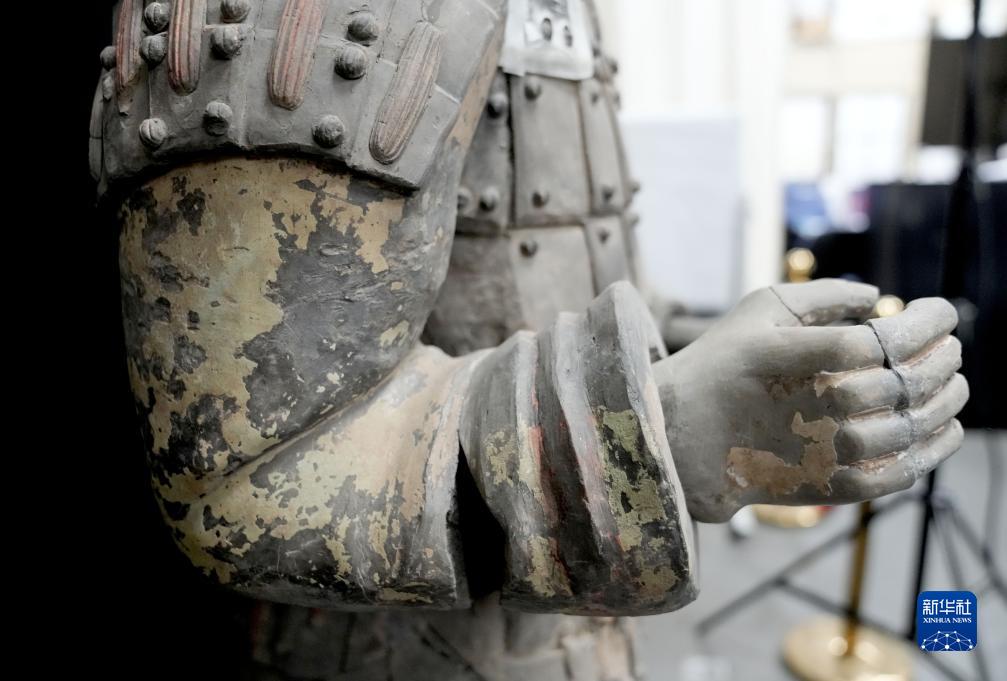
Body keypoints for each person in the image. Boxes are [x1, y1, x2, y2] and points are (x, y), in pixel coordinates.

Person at [91, 1, 968, 678]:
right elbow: (246, 478)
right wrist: (663, 428)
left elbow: (570, 267)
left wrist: (706, 350)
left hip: (571, 635)